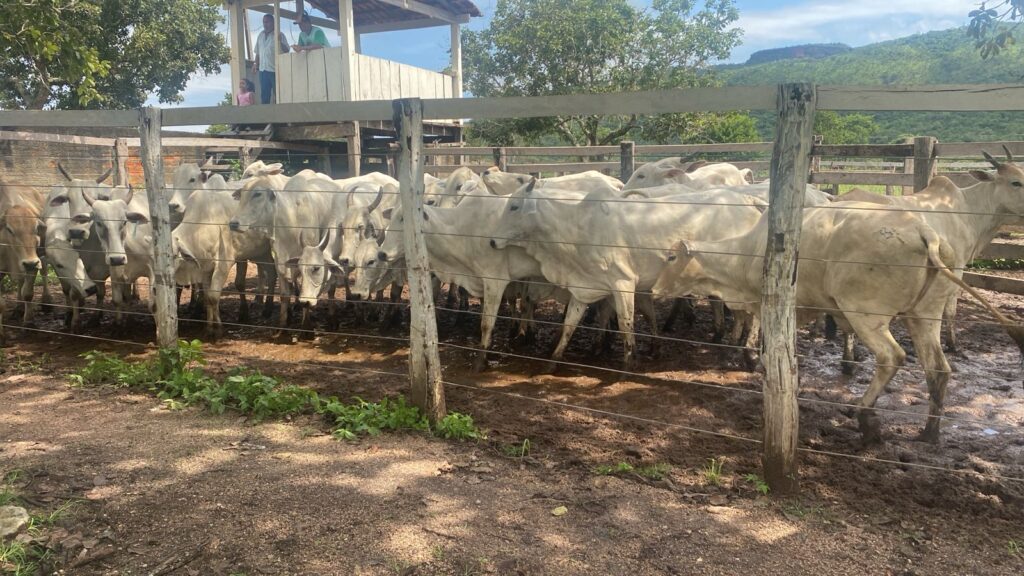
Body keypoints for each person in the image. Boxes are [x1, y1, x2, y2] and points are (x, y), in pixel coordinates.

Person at [252, 14, 289, 104]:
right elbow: (258, 52)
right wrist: (255, 64)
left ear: (273, 22)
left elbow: (286, 50)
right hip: (263, 70)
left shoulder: (279, 34)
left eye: (267, 22)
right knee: (265, 95)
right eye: (264, 22)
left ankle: (279, 114)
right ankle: (265, 116)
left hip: (275, 70)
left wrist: (280, 41)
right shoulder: (260, 35)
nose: (265, 24)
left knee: (278, 94)